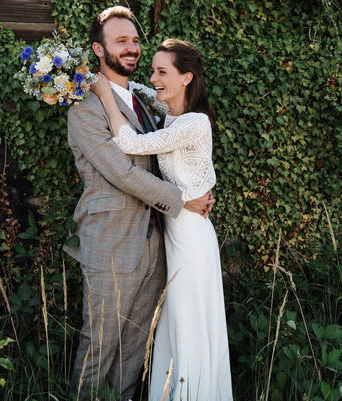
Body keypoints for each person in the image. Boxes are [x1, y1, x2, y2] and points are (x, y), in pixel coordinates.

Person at [63, 6, 214, 401]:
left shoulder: (149, 99)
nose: (131, 48)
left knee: (134, 351)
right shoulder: (85, 109)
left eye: (134, 40)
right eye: (120, 41)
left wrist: (196, 188)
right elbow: (123, 173)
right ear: (99, 49)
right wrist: (185, 201)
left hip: (159, 244)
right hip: (112, 244)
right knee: (99, 347)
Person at [91, 38, 233, 401]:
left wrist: (106, 96)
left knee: (189, 325)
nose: (152, 77)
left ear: (186, 78)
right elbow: (138, 89)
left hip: (191, 239)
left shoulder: (194, 123)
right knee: (174, 324)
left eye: (161, 72)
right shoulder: (169, 113)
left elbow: (130, 144)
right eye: (152, 69)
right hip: (176, 230)